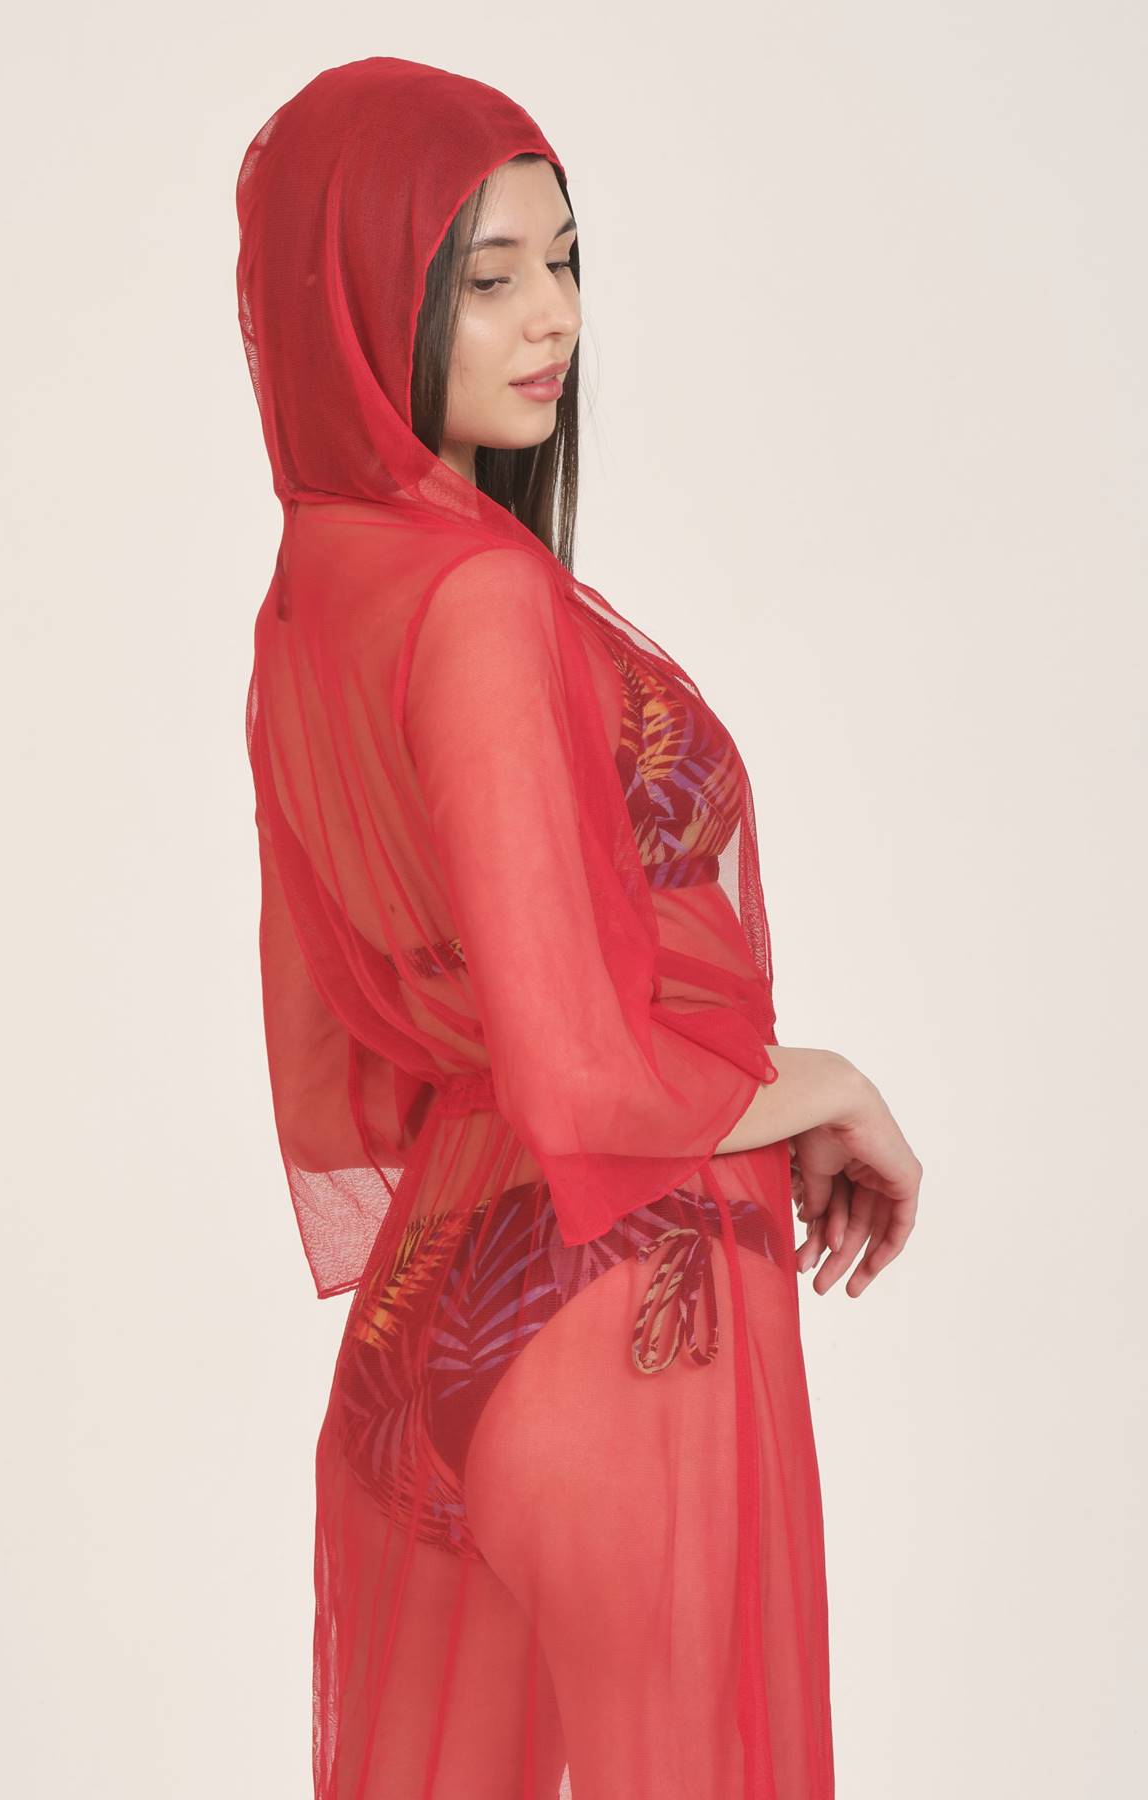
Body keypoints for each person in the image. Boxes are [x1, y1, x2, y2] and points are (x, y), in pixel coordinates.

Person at [236, 55, 921, 1800]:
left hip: (440, 1319)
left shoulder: (314, 597)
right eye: (490, 278)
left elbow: (363, 1033)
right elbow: (574, 1074)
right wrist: (820, 1081)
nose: (555, 317)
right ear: (367, 302)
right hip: (620, 1314)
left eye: (565, 262)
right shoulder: (476, 600)